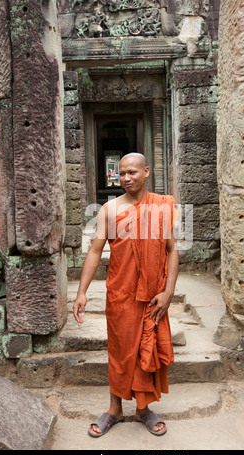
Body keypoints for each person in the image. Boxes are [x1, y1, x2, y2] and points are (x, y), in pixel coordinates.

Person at [73, 152, 179, 437]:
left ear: (146, 171)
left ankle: (143, 409)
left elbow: (171, 251)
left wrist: (169, 292)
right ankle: (115, 409)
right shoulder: (109, 209)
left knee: (147, 350)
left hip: (153, 295)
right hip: (120, 293)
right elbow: (95, 250)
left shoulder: (162, 207)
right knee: (119, 352)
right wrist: (81, 292)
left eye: (132, 172)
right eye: (122, 174)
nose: (127, 178)